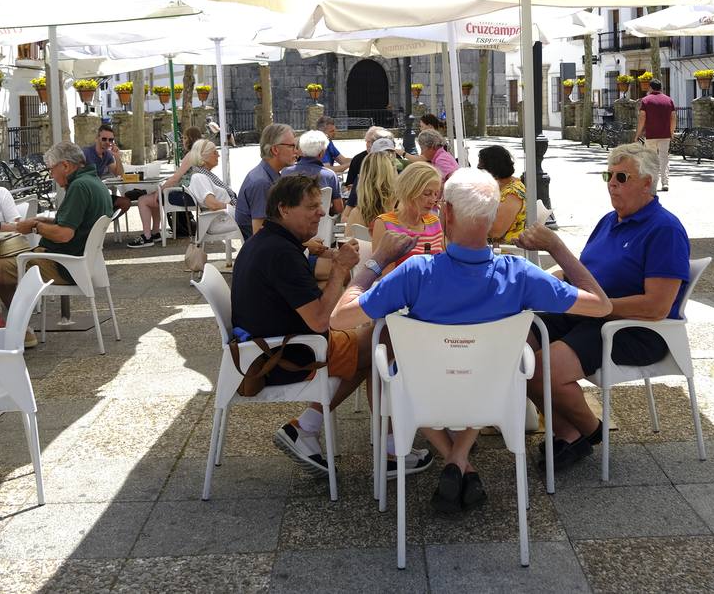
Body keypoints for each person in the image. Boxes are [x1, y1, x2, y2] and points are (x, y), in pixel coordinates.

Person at [331, 168, 611, 513]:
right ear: (493, 217)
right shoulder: (519, 275)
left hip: (423, 396)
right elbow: (601, 305)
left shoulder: (415, 272)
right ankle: (459, 459)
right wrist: (557, 247)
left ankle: (455, 459)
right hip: (491, 396)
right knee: (487, 369)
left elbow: (339, 317)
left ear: (446, 212)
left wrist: (377, 260)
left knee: (393, 366)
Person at [229, 175, 431, 477]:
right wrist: (341, 269)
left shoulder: (269, 242)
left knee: (369, 345)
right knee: (384, 340)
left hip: (264, 345)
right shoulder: (281, 254)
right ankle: (388, 449)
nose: (322, 213)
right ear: (284, 210)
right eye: (311, 207)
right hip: (283, 356)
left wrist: (312, 248)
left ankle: (308, 428)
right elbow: (321, 319)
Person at [527, 143, 690, 472]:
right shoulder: (609, 220)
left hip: (634, 329)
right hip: (593, 315)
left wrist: (597, 307)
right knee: (518, 340)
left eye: (621, 177)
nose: (611, 183)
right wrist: (543, 284)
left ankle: (589, 430)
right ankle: (567, 434)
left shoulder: (664, 230)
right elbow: (583, 273)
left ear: (647, 183)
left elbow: (657, 306)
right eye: (608, 175)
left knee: (543, 367)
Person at [0, 141, 111, 312]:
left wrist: (35, 227)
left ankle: (10, 327)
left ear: (65, 166)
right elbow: (78, 224)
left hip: (64, 266)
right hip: (81, 263)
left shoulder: (79, 186)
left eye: (51, 169)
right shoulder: (94, 181)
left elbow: (64, 234)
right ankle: (16, 325)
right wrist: (43, 222)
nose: (51, 175)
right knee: (0, 267)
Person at [127, 130, 219, 248]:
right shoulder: (201, 156)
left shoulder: (191, 155)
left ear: (190, 139)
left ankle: (147, 236)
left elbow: (176, 178)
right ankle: (155, 233)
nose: (182, 141)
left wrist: (160, 189)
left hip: (185, 195)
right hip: (194, 194)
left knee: (143, 200)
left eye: (185, 138)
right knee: (153, 199)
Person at [371, 162, 444, 273]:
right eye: (427, 193)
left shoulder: (434, 222)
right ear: (409, 191)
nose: (433, 200)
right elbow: (384, 274)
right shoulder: (385, 223)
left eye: (435, 194)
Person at [234, 122, 297, 239]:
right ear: (275, 150)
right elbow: (260, 235)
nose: (296, 151)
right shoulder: (262, 183)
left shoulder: (269, 175)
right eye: (291, 146)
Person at [282, 130, 344, 216]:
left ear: (301, 150)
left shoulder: (286, 172)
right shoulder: (330, 175)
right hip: (321, 225)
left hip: (293, 224)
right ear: (321, 153)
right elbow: (338, 208)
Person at [477, 144, 526, 246]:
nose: (478, 169)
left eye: (481, 167)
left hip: (506, 250)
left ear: (492, 168)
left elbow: (495, 232)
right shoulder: (502, 185)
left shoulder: (513, 193)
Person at [634, 78, 677, 191]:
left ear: (651, 88)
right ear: (660, 88)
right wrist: (671, 132)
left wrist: (637, 134)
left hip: (651, 135)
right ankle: (665, 183)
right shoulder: (669, 100)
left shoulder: (646, 100)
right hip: (665, 135)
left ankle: (652, 184)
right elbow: (673, 118)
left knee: (650, 159)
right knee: (664, 159)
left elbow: (642, 118)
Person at [84, 124, 133, 215]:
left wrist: (117, 157)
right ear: (97, 138)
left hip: (99, 195)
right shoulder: (86, 153)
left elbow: (120, 175)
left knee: (125, 203)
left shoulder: (107, 155)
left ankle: (105, 221)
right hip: (87, 196)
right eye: (104, 139)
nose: (107, 142)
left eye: (110, 140)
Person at [353, 137, 399, 227]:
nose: (389, 157)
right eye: (385, 154)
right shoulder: (403, 211)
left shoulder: (357, 214)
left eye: (391, 154)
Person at [343, 125, 389, 214]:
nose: (368, 145)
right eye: (367, 141)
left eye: (371, 142)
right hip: (362, 202)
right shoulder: (358, 159)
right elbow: (349, 185)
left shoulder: (393, 159)